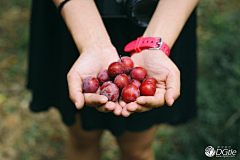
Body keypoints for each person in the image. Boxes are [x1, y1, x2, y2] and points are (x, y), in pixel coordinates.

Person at [27, 0, 199, 159]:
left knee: (138, 150)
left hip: (163, 13)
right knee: (82, 140)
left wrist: (154, 44)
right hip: (75, 14)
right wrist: (91, 41)